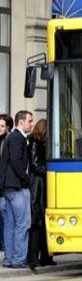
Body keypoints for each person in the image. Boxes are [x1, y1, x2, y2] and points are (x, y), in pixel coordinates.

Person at [0, 110, 33, 268]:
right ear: (21, 122)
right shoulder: (17, 138)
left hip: (8, 187)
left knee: (10, 224)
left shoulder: (11, 137)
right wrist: (26, 179)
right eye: (29, 121)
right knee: (23, 223)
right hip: (17, 187)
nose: (31, 124)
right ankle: (19, 258)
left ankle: (9, 258)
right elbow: (16, 160)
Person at [27, 119, 54, 268]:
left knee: (43, 223)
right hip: (38, 185)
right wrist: (49, 171)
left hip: (41, 184)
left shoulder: (38, 143)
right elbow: (36, 164)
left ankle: (45, 257)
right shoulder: (35, 142)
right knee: (37, 223)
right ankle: (35, 257)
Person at [0, 114, 14, 252]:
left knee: (4, 215)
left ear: (8, 128)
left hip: (3, 185)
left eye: (2, 126)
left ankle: (5, 245)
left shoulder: (8, 141)